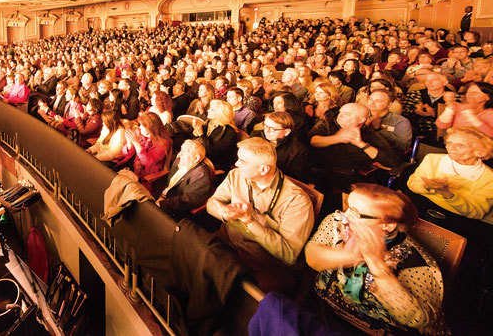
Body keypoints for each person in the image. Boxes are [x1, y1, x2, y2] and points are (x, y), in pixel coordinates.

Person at [305, 184, 446, 335]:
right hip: (326, 313)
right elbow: (311, 257)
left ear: (388, 225)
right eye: (348, 206)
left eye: (356, 213)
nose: (345, 215)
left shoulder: (417, 264)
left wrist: (376, 265)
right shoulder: (337, 222)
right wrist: (350, 257)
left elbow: (415, 319)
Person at [207, 138, 314, 293]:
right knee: (194, 252)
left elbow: (288, 254)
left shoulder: (297, 201)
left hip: (265, 259)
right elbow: (213, 202)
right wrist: (223, 212)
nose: (236, 164)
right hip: (230, 238)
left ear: (263, 170)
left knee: (236, 291)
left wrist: (249, 221)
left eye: (242, 161)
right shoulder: (236, 175)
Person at [406, 127, 493, 223]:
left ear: (479, 152)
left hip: (460, 221)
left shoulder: (489, 178)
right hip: (423, 209)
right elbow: (412, 183)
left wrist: (447, 194)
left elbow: (476, 213)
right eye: (449, 142)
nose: (451, 148)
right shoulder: (432, 159)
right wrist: (426, 186)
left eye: (460, 145)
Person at [157, 139, 215, 219]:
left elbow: (187, 201)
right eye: (181, 150)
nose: (180, 155)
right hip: (163, 196)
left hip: (173, 210)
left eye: (185, 152)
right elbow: (169, 184)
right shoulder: (179, 161)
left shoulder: (201, 174)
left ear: (196, 158)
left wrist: (161, 204)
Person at [125, 112, 172, 193]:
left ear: (150, 128)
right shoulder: (144, 136)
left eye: (142, 126)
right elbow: (127, 153)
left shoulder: (164, 143)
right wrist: (129, 143)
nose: (139, 128)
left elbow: (148, 161)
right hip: (136, 171)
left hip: (148, 179)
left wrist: (136, 143)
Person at [260, 111, 312, 182]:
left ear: (286, 132)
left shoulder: (299, 151)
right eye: (265, 126)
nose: (267, 131)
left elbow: (296, 180)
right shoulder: (257, 136)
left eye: (272, 129)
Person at [190, 99, 240, 170]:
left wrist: (201, 133)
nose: (208, 110)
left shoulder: (229, 132)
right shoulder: (210, 123)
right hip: (202, 157)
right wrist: (196, 129)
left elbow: (212, 152)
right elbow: (196, 139)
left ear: (221, 113)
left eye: (212, 110)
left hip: (215, 164)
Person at [366, 88, 412, 155]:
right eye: (370, 99)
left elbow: (404, 146)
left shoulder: (401, 121)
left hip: (388, 155)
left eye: (378, 101)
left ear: (389, 104)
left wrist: (380, 130)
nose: (372, 103)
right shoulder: (361, 115)